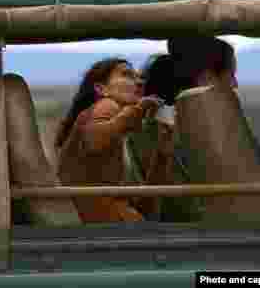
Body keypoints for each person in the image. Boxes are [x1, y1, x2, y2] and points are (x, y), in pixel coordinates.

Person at [125, 36, 260, 222]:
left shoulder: (143, 128)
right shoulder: (212, 128)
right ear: (207, 77)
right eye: (230, 75)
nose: (234, 84)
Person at [54, 57, 173, 223]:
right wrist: (138, 109)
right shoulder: (107, 104)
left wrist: (161, 154)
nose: (139, 82)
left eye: (139, 77)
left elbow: (143, 206)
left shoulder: (119, 132)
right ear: (101, 89)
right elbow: (95, 141)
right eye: (127, 75)